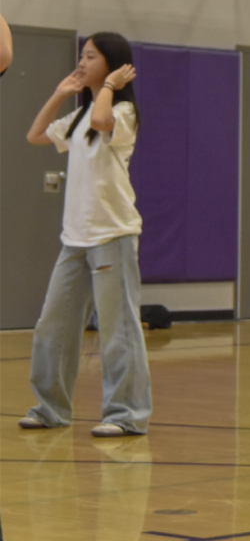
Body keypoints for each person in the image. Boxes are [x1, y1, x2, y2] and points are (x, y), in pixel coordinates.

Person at [18, 32, 151, 437]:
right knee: (52, 325)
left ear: (111, 64)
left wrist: (110, 86)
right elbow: (36, 135)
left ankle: (126, 415)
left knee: (118, 328)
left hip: (112, 234)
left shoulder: (122, 113)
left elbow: (101, 121)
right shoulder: (77, 116)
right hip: (74, 239)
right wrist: (61, 93)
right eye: (81, 55)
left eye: (90, 56)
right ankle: (50, 408)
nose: (82, 61)